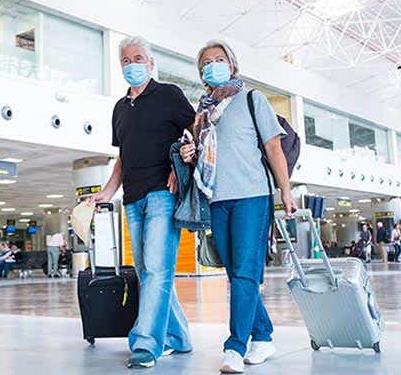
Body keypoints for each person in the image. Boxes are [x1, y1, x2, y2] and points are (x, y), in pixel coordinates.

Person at [180, 40, 295, 373]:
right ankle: (263, 336)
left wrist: (285, 190)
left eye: (219, 59)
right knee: (236, 273)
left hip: (251, 196)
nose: (212, 65)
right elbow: (201, 156)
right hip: (217, 199)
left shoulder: (251, 99)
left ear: (231, 65)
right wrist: (189, 153)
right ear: (201, 73)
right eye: (206, 62)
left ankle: (234, 347)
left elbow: (274, 148)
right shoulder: (201, 113)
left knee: (245, 272)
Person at [89, 36, 194, 369]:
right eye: (125, 60)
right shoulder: (120, 108)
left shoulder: (169, 95)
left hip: (163, 193)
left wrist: (182, 166)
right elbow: (123, 156)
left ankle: (147, 343)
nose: (131, 64)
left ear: (150, 63)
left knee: (157, 269)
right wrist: (108, 191)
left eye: (137, 58)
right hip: (132, 199)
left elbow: (195, 132)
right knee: (149, 271)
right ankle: (179, 338)